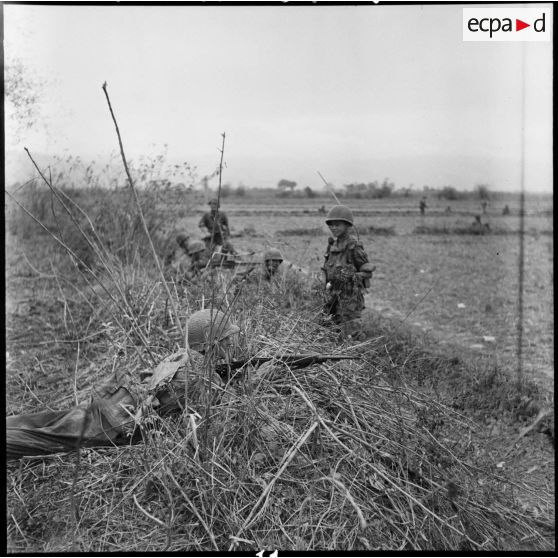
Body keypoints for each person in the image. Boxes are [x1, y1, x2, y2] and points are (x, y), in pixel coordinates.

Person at [6, 309, 240, 460]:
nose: (231, 341)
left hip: (110, 406)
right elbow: (220, 413)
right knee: (41, 440)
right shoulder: (200, 378)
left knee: (45, 421)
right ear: (210, 340)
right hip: (111, 426)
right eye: (225, 337)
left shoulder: (184, 356)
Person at [321, 205, 374, 339]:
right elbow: (325, 270)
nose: (333, 228)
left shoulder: (353, 247)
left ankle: (358, 357)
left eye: (337, 225)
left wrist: (351, 276)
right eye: (331, 225)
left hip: (350, 300)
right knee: (330, 332)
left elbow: (368, 273)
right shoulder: (332, 245)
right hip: (332, 297)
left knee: (351, 334)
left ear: (347, 225)